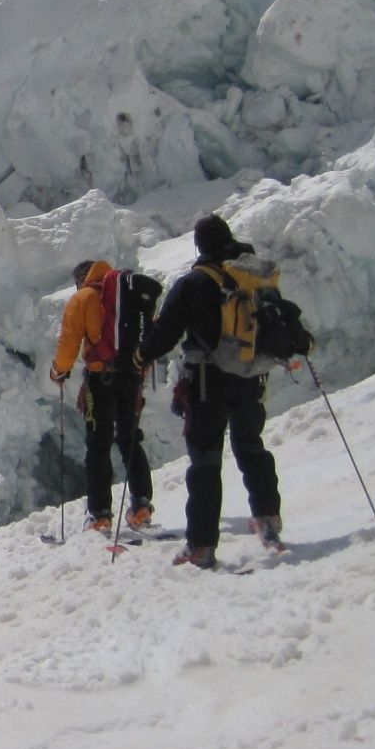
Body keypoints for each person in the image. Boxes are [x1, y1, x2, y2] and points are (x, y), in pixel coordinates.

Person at [135, 214, 285, 568]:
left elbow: (166, 332)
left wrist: (141, 354)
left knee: (205, 460)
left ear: (200, 245)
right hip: (249, 375)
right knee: (251, 447)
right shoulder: (252, 278)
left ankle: (201, 545)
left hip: (207, 381)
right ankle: (268, 520)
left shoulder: (196, 282)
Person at [49, 260, 156, 535]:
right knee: (130, 437)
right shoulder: (129, 296)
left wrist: (59, 371)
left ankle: (100, 515)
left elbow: (69, 341)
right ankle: (141, 506)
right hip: (132, 377)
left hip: (101, 378)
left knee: (99, 443)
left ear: (81, 279)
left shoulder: (83, 297)